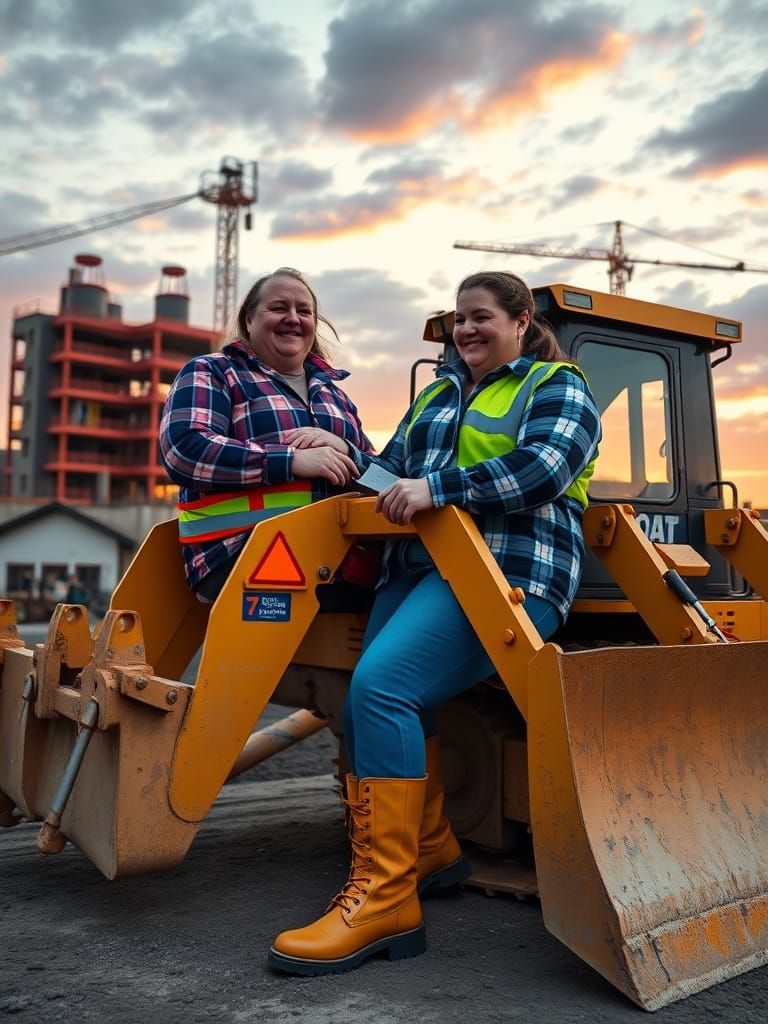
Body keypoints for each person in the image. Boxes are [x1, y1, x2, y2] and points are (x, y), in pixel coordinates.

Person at [269, 270, 602, 975]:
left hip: (508, 572)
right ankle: (428, 852)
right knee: (367, 703)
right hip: (419, 570)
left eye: (481, 316)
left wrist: (437, 487)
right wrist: (329, 450)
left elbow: (542, 468)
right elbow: (389, 472)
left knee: (382, 688)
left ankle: (387, 900)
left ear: (519, 321)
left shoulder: (557, 386)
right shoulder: (439, 396)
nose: (467, 330)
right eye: (459, 319)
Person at [159, 268, 373, 601]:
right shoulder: (214, 371)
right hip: (243, 557)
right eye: (278, 308)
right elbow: (185, 449)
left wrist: (346, 448)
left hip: (341, 564)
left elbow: (384, 476)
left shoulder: (336, 396)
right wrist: (290, 461)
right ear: (248, 320)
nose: (293, 318)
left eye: (304, 311)